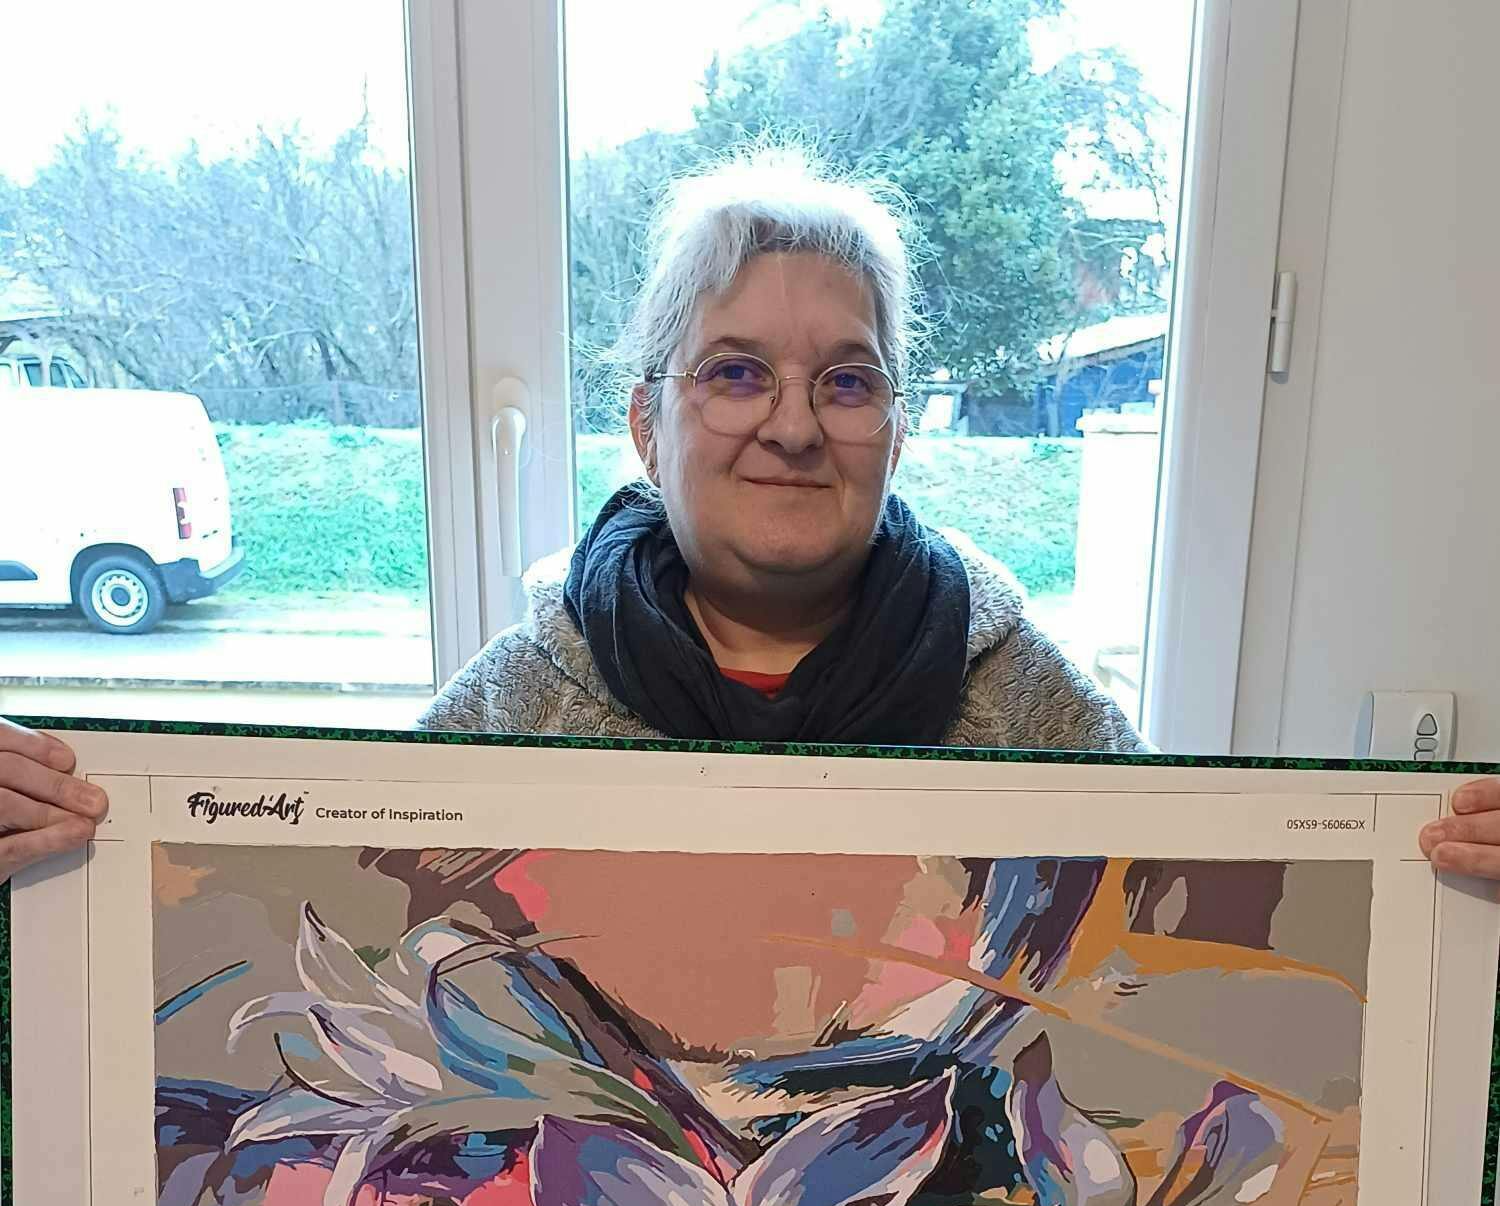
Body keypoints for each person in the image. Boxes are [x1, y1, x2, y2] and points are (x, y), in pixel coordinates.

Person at [0, 149, 1495, 880]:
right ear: (645, 423)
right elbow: (314, 941)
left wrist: (1446, 885)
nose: (791, 423)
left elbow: (1203, 940)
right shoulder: (513, 708)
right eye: (734, 372)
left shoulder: (1033, 701)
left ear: (895, 427)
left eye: (847, 379)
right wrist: (73, 864)